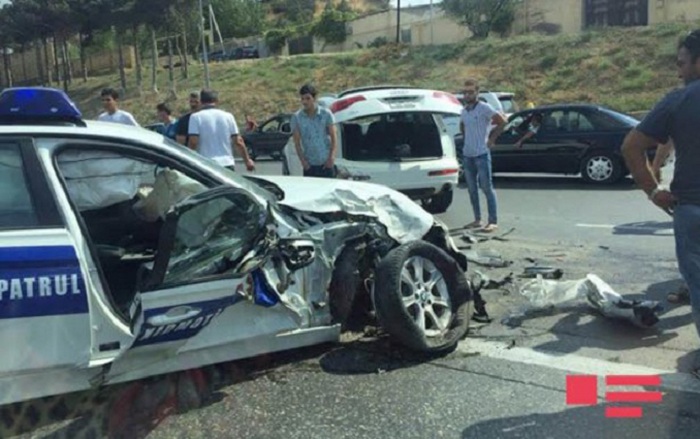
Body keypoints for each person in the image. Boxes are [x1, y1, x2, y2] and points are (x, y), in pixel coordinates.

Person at [621, 30, 700, 375]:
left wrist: (654, 192)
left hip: (692, 210)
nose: (679, 71)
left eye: (682, 63)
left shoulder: (679, 101)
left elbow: (631, 147)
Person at [459, 78, 507, 233]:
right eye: (465, 92)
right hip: (468, 155)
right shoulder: (464, 111)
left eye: (470, 92)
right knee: (472, 189)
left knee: (486, 187)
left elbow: (502, 121)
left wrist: (491, 139)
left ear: (477, 92)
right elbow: (463, 126)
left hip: (481, 153)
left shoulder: (484, 108)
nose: (467, 95)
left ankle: (492, 221)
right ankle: (477, 219)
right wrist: (467, 140)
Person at [187, 89, 255, 172]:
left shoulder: (195, 117)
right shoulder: (228, 116)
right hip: (226, 163)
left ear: (201, 101)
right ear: (217, 101)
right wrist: (247, 161)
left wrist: (189, 159)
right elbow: (238, 141)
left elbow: (193, 142)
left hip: (206, 163)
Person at [291, 84, 338, 178]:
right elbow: (297, 143)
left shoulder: (325, 114)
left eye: (308, 98)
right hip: (310, 165)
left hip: (326, 163)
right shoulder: (297, 117)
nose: (305, 102)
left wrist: (331, 158)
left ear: (314, 98)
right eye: (302, 99)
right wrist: (304, 163)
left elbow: (334, 137)